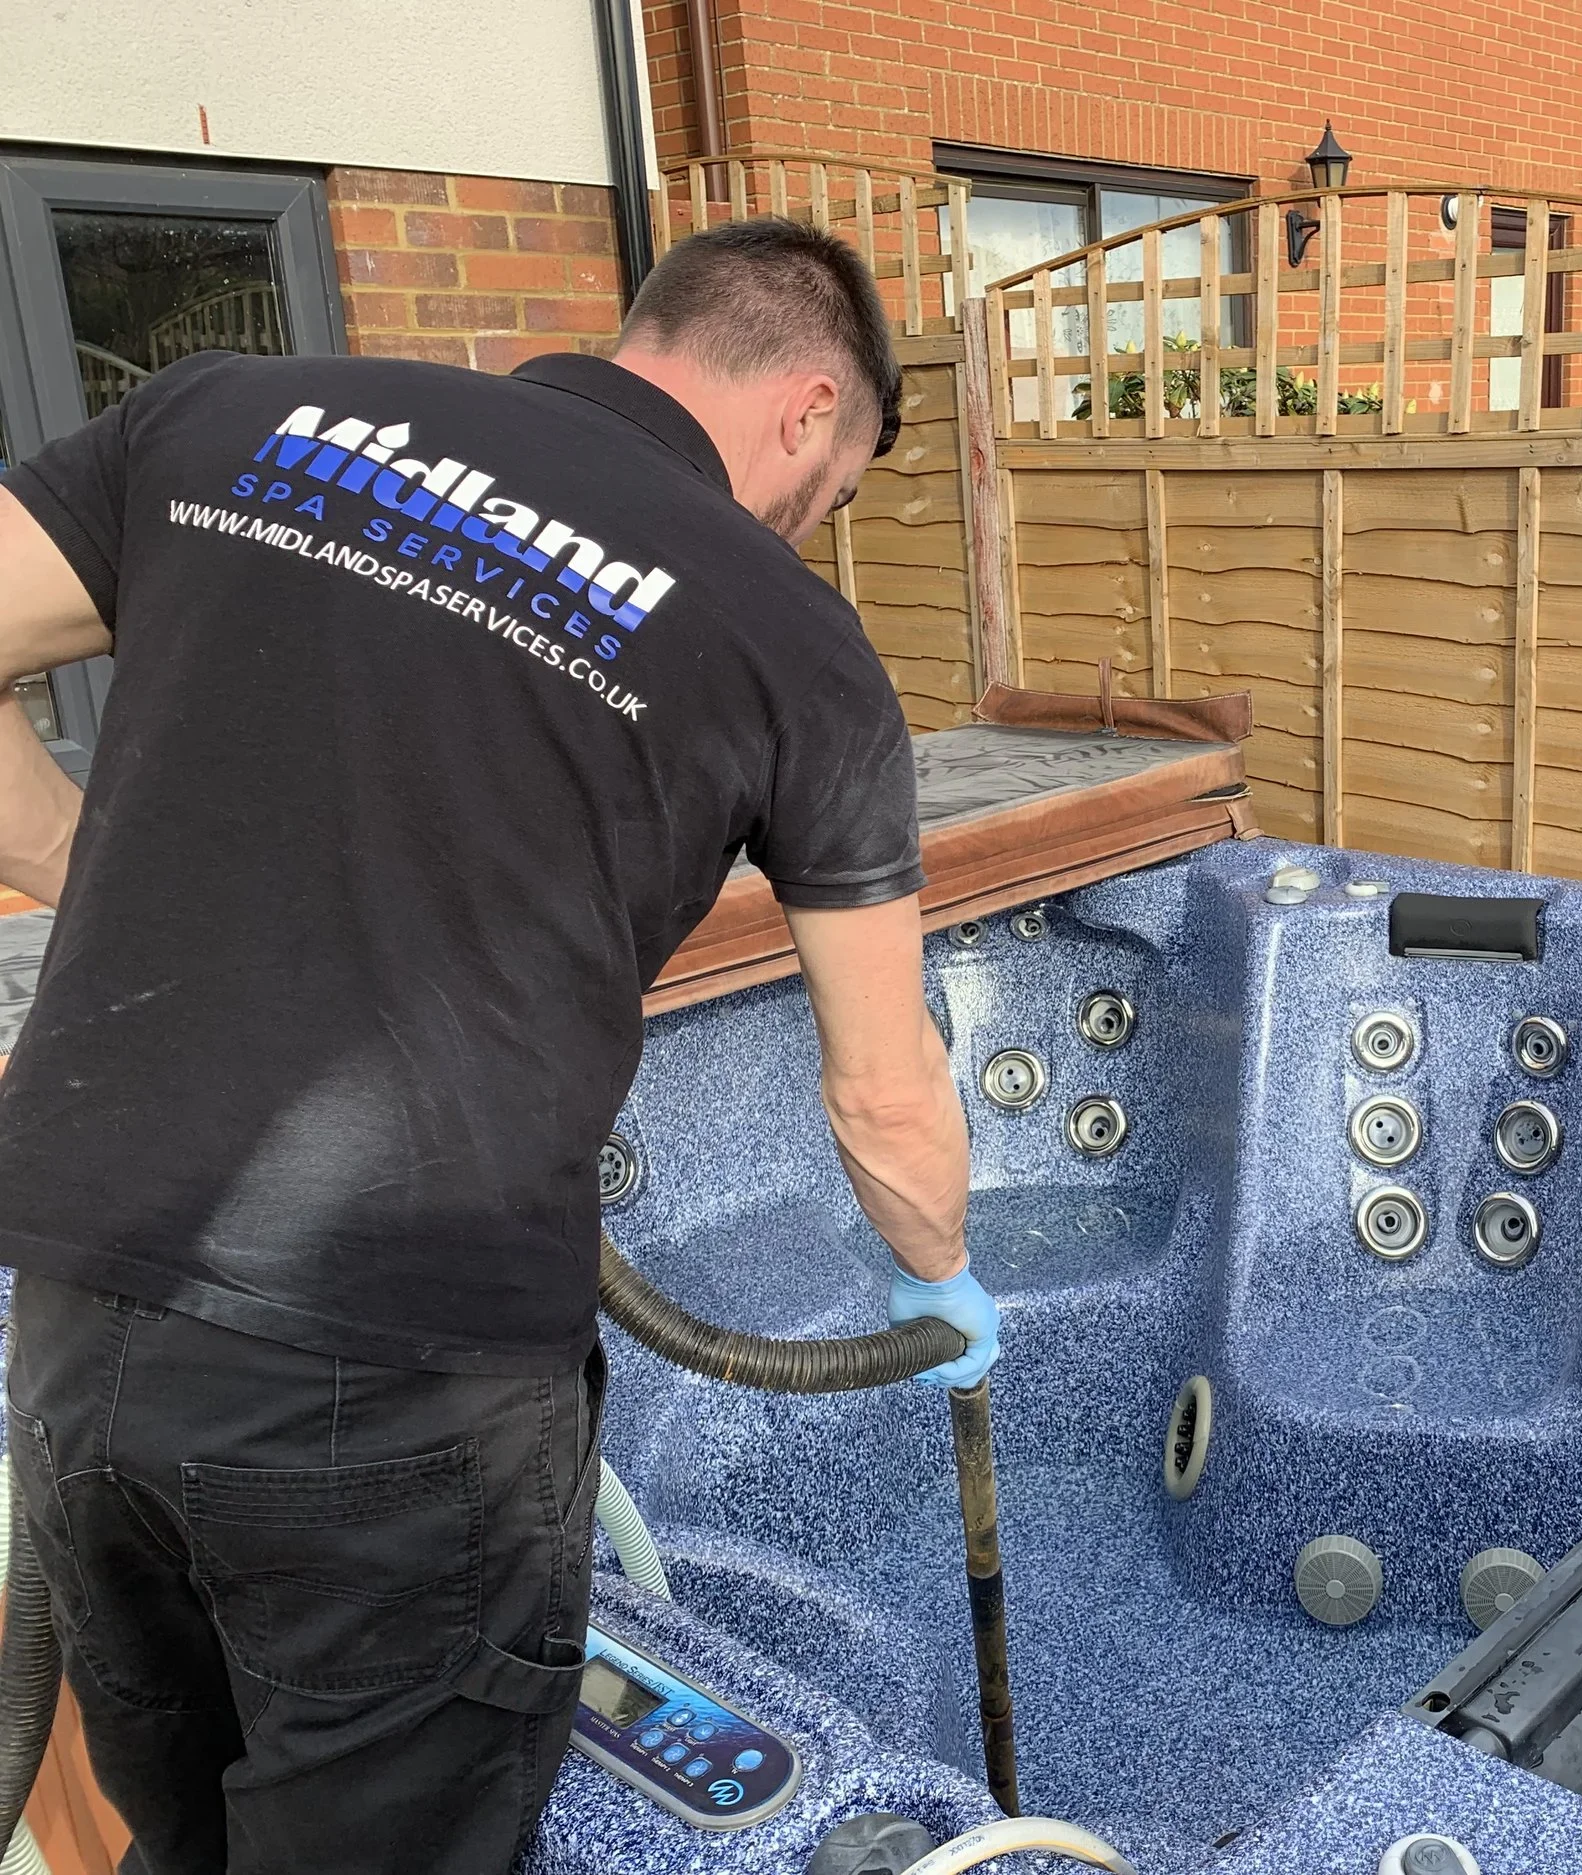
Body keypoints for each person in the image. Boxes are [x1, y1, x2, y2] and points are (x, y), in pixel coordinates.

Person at [0, 218, 997, 1872]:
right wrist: (942, 1283)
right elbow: (887, 1093)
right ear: (810, 411)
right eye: (839, 488)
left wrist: (70, 851)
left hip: (80, 1298)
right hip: (402, 1386)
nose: (813, 525)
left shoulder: (232, 416)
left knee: (178, 1835)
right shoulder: (793, 641)